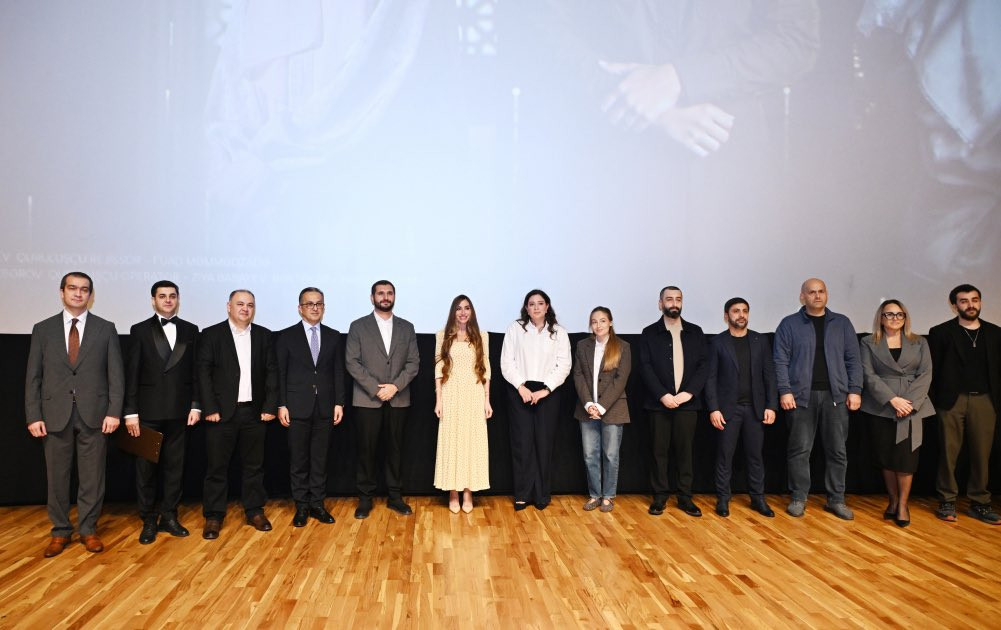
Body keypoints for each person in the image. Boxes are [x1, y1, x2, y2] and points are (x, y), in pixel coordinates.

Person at [24, 272, 124, 557]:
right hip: (54, 415)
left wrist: (114, 411)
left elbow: (116, 375)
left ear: (90, 295)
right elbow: (33, 376)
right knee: (57, 478)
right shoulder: (43, 329)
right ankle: (60, 531)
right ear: (62, 292)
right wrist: (33, 415)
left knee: (93, 478)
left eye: (84, 289)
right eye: (72, 288)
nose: (78, 293)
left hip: (95, 415)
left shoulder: (106, 328)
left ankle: (88, 530)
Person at [774, 278, 862, 520]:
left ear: (827, 294)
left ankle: (836, 499)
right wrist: (785, 390)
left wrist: (855, 390)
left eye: (821, 291)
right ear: (802, 296)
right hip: (800, 398)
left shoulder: (842, 323)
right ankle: (798, 497)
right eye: (811, 292)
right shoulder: (789, 324)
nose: (817, 296)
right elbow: (780, 360)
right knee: (799, 450)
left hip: (837, 397)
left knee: (837, 451)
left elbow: (854, 360)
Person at [123, 280, 201, 545]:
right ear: (153, 300)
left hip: (180, 412)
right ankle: (148, 519)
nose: (168, 300)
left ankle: (169, 516)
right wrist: (130, 412)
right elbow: (132, 374)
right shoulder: (139, 330)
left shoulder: (191, 330)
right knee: (145, 469)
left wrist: (196, 404)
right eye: (162, 296)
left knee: (175, 469)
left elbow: (196, 372)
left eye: (172, 296)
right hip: (147, 413)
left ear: (178, 299)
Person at [197, 289, 279, 539]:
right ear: (228, 307)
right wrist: (210, 408)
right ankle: (214, 516)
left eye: (250, 305)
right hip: (220, 415)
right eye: (240, 304)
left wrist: (269, 407)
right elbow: (203, 374)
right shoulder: (211, 334)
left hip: (254, 413)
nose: (245, 309)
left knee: (254, 467)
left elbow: (272, 373)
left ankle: (254, 511)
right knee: (216, 468)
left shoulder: (264, 335)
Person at [345, 280, 420, 519]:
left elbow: (414, 363)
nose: (385, 297)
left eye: (389, 293)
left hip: (398, 398)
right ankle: (365, 499)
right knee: (366, 451)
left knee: (395, 450)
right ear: (372, 298)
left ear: (394, 297)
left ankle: (395, 497)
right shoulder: (358, 326)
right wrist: (376, 389)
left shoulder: (407, 327)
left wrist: (395, 387)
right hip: (367, 399)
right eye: (380, 293)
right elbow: (352, 362)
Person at [928, 284, 1001, 525]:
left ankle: (980, 502)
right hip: (952, 401)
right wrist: (937, 400)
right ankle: (947, 500)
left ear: (980, 302)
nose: (971, 305)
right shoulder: (941, 333)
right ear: (954, 306)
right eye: (964, 301)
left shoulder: (995, 333)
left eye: (975, 300)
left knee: (982, 454)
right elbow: (933, 371)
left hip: (985, 401)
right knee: (949, 453)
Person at [859, 299, 933, 528]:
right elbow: (868, 375)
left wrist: (908, 403)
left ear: (905, 318)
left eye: (899, 314)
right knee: (887, 458)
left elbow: (926, 373)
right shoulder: (868, 342)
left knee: (906, 459)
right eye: (889, 314)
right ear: (881, 318)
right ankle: (892, 500)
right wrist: (893, 400)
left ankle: (902, 505)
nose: (895, 318)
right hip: (881, 407)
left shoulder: (919, 342)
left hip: (912, 407)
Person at [275, 287, 345, 527]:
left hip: (325, 407)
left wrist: (339, 402)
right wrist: (282, 404)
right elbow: (280, 373)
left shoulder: (334, 336)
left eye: (319, 304)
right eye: (309, 304)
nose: (315, 308)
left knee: (319, 459)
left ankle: (317, 504)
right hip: (296, 407)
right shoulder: (286, 337)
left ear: (324, 307)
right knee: (299, 460)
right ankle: (301, 506)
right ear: (300, 308)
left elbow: (338, 372)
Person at [638, 286, 708, 517]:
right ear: (660, 304)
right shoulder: (649, 333)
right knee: (659, 453)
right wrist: (663, 395)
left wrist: (689, 393)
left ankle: (685, 498)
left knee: (685, 453)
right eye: (669, 299)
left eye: (678, 299)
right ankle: (659, 497)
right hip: (659, 404)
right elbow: (645, 367)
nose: (674, 303)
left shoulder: (695, 332)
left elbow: (703, 366)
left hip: (688, 404)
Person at [705, 298, 778, 518]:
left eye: (745, 311)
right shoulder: (718, 342)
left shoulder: (760, 340)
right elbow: (710, 378)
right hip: (728, 410)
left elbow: (770, 375)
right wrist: (713, 408)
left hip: (756, 410)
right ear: (726, 316)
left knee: (755, 457)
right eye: (736, 311)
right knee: (725, 457)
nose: (741, 315)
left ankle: (758, 498)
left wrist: (771, 405)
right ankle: (723, 499)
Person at [500, 289, 571, 511]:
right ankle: (522, 494)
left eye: (540, 303)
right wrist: (520, 386)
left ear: (547, 306)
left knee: (544, 443)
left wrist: (546, 389)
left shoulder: (559, 332)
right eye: (532, 304)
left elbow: (564, 365)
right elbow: (506, 362)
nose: (536, 307)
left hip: (548, 393)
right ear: (526, 308)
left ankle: (541, 494)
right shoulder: (515, 329)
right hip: (520, 391)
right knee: (522, 444)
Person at [433, 295, 492, 513]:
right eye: (458, 308)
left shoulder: (482, 336)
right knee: (452, 441)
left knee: (471, 443)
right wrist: (439, 400)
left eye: (467, 308)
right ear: (453, 312)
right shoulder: (442, 336)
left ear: (472, 311)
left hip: (474, 394)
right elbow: (438, 369)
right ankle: (453, 492)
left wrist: (487, 400)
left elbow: (486, 369)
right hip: (451, 394)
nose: (463, 312)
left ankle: (468, 491)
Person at [572, 306, 631, 513]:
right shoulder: (582, 345)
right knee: (590, 455)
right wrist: (589, 404)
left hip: (613, 409)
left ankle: (608, 496)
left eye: (603, 320)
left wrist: (601, 406)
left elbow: (620, 379)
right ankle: (595, 495)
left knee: (611, 455)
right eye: (594, 321)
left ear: (610, 322)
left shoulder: (622, 346)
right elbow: (578, 375)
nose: (598, 325)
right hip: (587, 410)